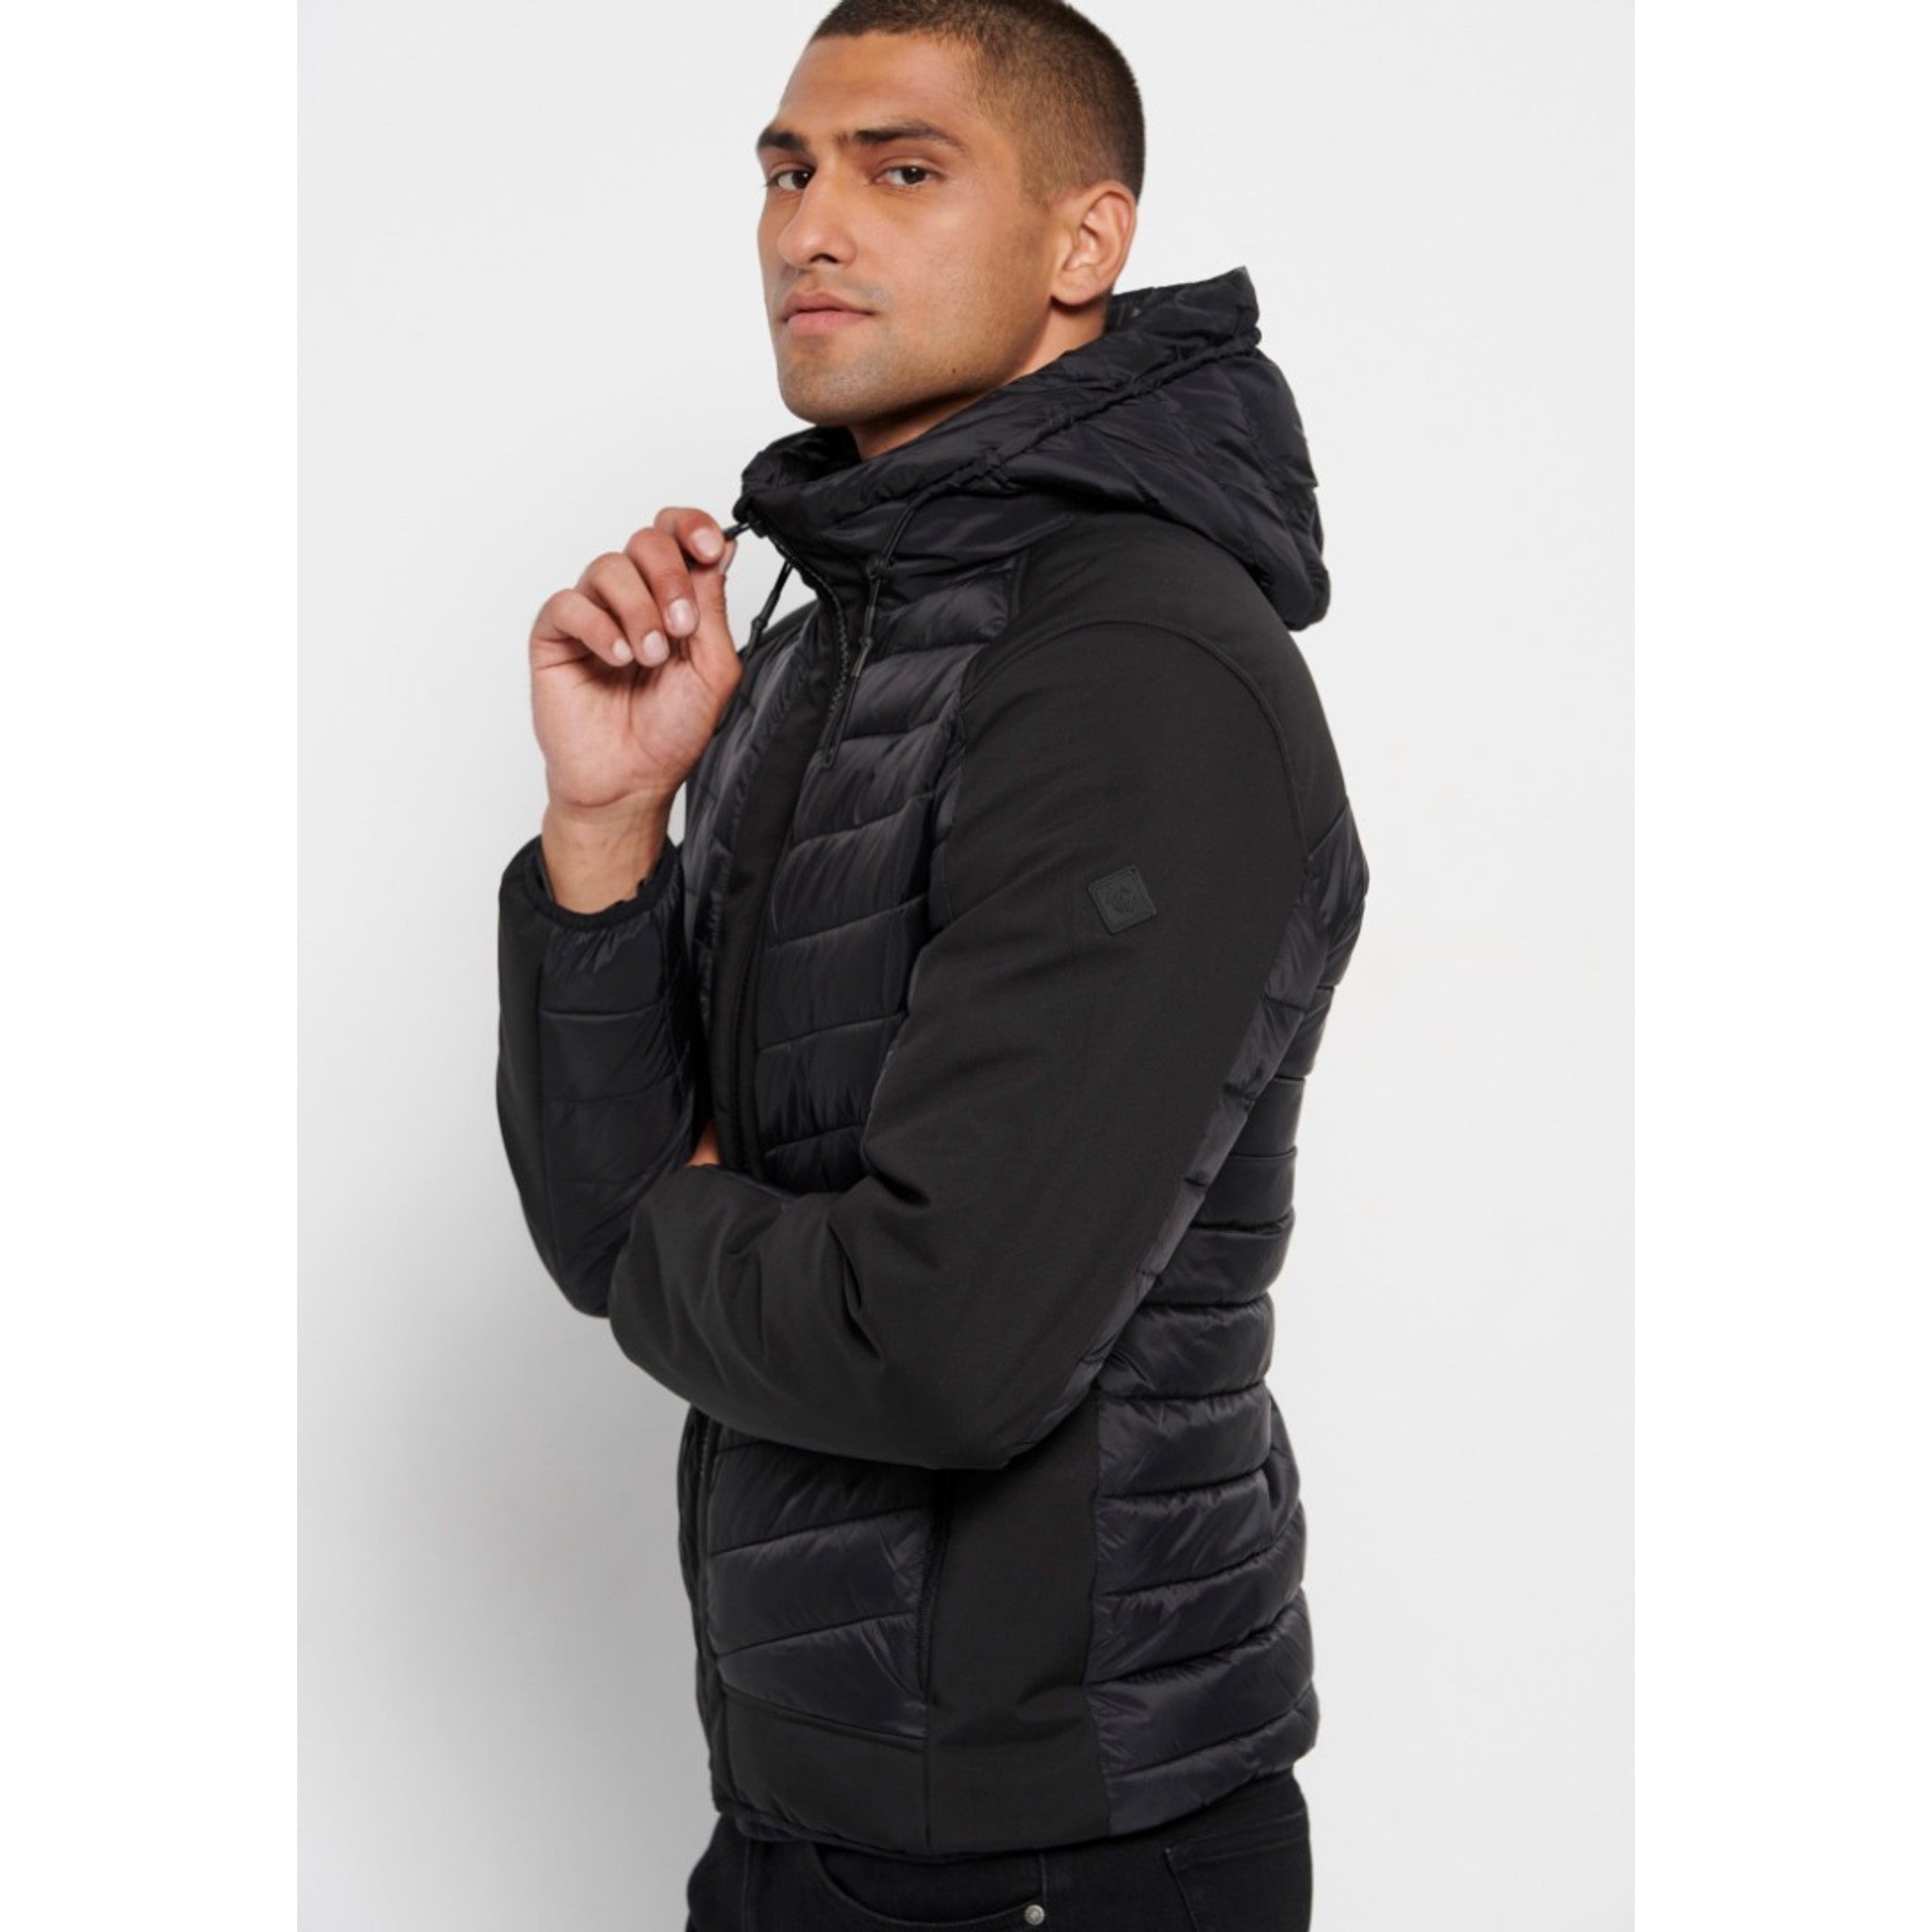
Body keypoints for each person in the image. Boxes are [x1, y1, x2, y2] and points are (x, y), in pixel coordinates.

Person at [493, 1, 1370, 1924]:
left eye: (903, 170)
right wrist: (607, 825)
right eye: (787, 171)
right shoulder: (823, 651)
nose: (812, 225)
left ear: (1084, 240)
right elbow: (593, 1222)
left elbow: (942, 1344)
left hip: (1061, 1852)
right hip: (807, 1808)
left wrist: (656, 1220)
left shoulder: (1131, 672)